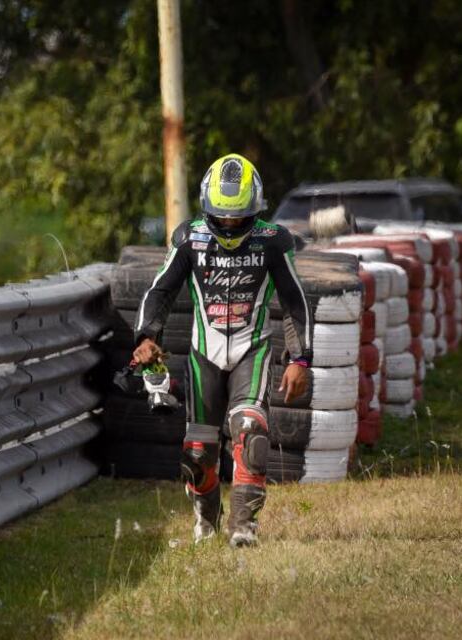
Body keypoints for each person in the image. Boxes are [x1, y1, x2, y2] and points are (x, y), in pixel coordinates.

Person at [132, 153, 312, 547]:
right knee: (198, 452)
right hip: (203, 356)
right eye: (222, 217)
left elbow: (295, 302)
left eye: (239, 217)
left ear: (256, 209)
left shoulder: (274, 241)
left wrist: (300, 359)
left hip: (253, 350)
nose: (230, 224)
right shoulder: (188, 238)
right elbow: (159, 292)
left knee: (250, 430)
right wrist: (146, 337)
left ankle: (244, 527)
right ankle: (206, 521)